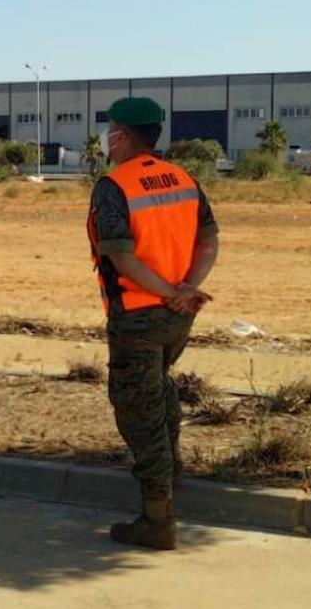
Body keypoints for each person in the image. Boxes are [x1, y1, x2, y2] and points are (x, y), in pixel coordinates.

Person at [86, 96, 220, 550]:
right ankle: (173, 471)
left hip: (139, 313)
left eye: (111, 131)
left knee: (138, 408)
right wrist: (186, 288)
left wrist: (168, 291)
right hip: (177, 315)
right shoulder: (184, 179)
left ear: (122, 136)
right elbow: (209, 240)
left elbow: (121, 257)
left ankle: (157, 516)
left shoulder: (115, 185)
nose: (108, 139)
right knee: (159, 389)